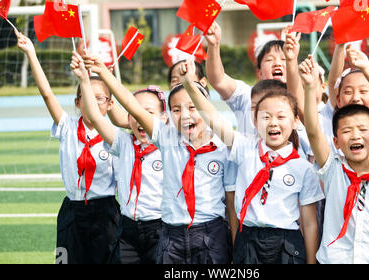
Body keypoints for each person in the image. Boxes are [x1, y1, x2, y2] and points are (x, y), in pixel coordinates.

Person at [81, 53, 236, 264]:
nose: (185, 115)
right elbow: (131, 105)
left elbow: (231, 202)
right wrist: (103, 72)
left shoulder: (225, 146)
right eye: (176, 110)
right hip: (172, 234)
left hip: (211, 233)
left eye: (192, 107)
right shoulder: (167, 138)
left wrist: (235, 243)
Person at [179, 58, 324, 264]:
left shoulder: (302, 167)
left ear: (295, 121)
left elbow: (309, 223)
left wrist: (311, 262)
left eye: (281, 116)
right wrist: (188, 85)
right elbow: (214, 118)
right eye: (265, 117)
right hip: (248, 239)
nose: (273, 122)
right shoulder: (245, 150)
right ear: (254, 122)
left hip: (287, 244)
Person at [15, 31, 120, 264]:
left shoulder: (116, 138)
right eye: (86, 97)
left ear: (110, 104)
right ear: (77, 102)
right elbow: (47, 94)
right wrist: (32, 53)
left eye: (99, 98)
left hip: (105, 211)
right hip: (73, 211)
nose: (92, 102)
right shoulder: (67, 127)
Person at [300, 55, 369, 264]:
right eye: (347, 131)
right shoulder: (333, 170)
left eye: (362, 130)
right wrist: (311, 87)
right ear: (336, 142)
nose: (356, 136)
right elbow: (313, 131)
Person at [70, 51, 168, 264]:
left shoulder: (169, 146)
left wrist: (105, 73)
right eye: (134, 113)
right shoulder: (123, 143)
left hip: (159, 229)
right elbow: (96, 117)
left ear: (164, 118)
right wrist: (84, 81)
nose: (141, 118)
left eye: (149, 113)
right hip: (127, 229)